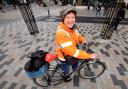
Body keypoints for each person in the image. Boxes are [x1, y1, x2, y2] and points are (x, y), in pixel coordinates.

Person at [55, 6, 96, 82]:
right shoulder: (61, 33)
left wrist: (83, 40)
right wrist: (88, 56)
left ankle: (74, 69)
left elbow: (77, 35)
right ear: (63, 19)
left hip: (72, 53)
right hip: (64, 56)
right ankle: (66, 76)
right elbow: (72, 51)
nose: (71, 20)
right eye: (68, 17)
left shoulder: (73, 28)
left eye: (73, 17)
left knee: (76, 61)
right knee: (66, 69)